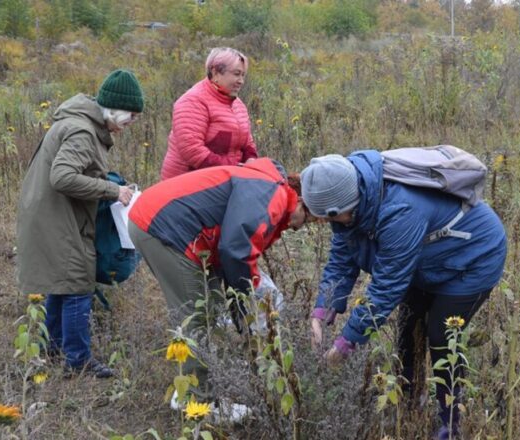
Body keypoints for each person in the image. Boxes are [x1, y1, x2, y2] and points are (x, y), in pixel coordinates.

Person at [302, 151, 507, 440]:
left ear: (347, 205)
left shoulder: (401, 210)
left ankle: (451, 421)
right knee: (407, 327)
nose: (325, 223)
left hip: (474, 257)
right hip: (427, 260)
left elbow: (386, 288)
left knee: (441, 334)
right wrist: (321, 312)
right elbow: (341, 257)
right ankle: (410, 399)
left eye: (328, 217)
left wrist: (345, 344)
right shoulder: (353, 199)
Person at [128, 157, 308, 397]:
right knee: (196, 316)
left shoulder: (268, 188)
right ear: (301, 202)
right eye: (310, 219)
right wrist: (250, 304)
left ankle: (213, 378)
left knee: (211, 307)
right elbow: (235, 253)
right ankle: (196, 401)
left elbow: (232, 257)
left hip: (175, 225)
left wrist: (243, 313)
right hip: (163, 226)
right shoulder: (271, 194)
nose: (302, 227)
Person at [17, 69, 144, 378]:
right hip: (56, 218)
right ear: (115, 110)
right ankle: (78, 361)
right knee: (77, 284)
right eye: (131, 117)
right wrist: (113, 191)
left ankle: (53, 347)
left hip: (50, 214)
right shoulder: (82, 131)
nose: (131, 124)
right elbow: (62, 177)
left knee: (62, 283)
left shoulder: (79, 122)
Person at [160, 47, 257, 180]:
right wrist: (234, 169)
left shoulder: (238, 104)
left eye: (243, 75)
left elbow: (247, 142)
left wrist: (251, 160)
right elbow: (192, 151)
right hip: (188, 184)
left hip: (225, 179)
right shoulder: (192, 101)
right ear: (216, 72)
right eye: (236, 74)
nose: (241, 81)